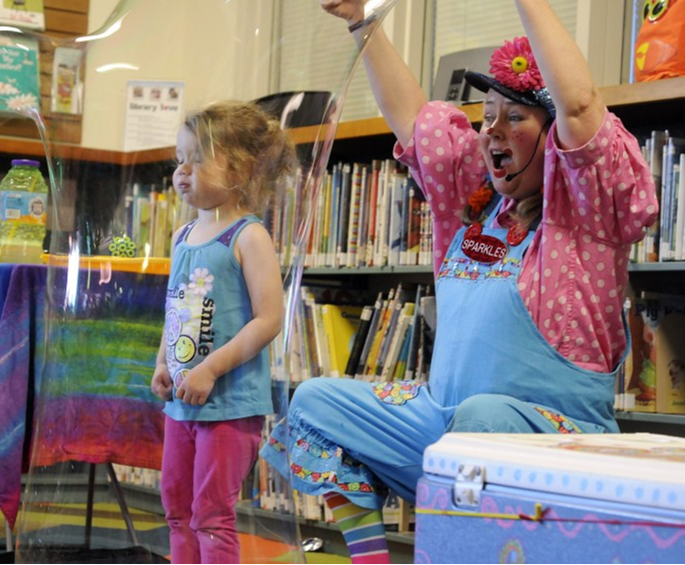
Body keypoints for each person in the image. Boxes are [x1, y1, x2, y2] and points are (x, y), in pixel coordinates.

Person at [260, 1, 659, 563]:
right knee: (316, 402)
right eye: (487, 115)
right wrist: (360, 19)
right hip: (445, 423)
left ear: (554, 137)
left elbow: (579, 104)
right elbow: (412, 118)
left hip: (558, 441)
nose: (492, 129)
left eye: (515, 117)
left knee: (481, 418)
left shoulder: (587, 216)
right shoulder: (474, 207)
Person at [150, 100, 295, 564]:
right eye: (180, 159)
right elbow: (175, 310)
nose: (182, 171)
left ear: (240, 168)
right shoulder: (181, 237)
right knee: (177, 510)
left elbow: (268, 319)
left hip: (228, 407)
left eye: (197, 159)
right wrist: (162, 363)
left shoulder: (249, 236)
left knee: (212, 517)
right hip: (181, 405)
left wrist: (209, 370)